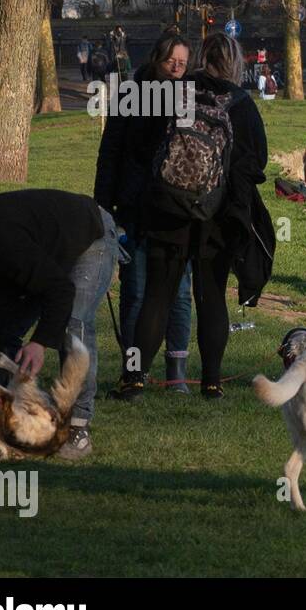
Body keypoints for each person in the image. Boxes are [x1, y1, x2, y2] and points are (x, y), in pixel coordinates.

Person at [116, 32, 269, 401]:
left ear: (201, 57)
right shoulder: (242, 103)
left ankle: (135, 379)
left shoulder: (176, 92)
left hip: (169, 208)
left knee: (157, 295)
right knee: (211, 295)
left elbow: (144, 144)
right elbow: (256, 161)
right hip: (217, 216)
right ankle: (212, 382)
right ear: (235, 63)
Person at [0, 190, 117, 459]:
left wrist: (41, 342)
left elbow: (60, 290)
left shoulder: (4, 246)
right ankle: (3, 411)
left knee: (73, 323)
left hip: (87, 238)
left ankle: (79, 425)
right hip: (35, 256)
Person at [93, 31, 196, 395]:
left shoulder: (188, 98)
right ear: (157, 57)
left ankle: (176, 374)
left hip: (175, 211)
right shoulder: (128, 94)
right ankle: (133, 371)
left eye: (183, 64)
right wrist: (103, 208)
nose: (177, 69)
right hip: (134, 210)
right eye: (172, 61)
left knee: (179, 292)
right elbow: (110, 153)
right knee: (135, 291)